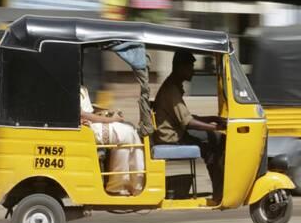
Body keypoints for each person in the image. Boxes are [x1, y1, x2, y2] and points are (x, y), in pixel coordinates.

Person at [153, 50, 226, 202]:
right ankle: (220, 191)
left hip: (177, 133)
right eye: (190, 66)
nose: (193, 70)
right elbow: (188, 122)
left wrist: (212, 119)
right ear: (180, 67)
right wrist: (215, 128)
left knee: (215, 139)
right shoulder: (171, 89)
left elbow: (186, 117)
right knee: (217, 141)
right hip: (171, 138)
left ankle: (220, 188)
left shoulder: (174, 86)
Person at [80, 85, 145, 196]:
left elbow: (88, 109)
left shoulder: (81, 87)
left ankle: (130, 183)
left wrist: (107, 112)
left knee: (130, 129)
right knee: (127, 133)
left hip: (90, 125)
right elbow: (82, 114)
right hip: (87, 129)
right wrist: (111, 119)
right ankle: (124, 185)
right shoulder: (70, 85)